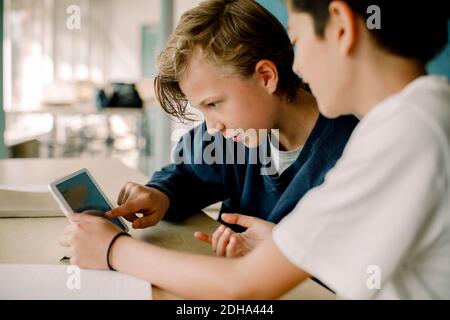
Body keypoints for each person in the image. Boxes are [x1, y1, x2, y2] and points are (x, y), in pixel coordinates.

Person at [60, 0, 450, 299]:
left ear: (341, 28)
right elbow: (189, 172)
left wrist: (112, 249)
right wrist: (162, 194)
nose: (297, 65)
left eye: (296, 41)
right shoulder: (413, 119)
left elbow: (245, 286)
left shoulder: (402, 134)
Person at [103, 0, 357, 258]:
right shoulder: (238, 132)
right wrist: (161, 194)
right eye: (202, 109)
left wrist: (283, 253)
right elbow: (188, 172)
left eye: (214, 103)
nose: (212, 127)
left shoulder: (353, 151)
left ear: (266, 77)